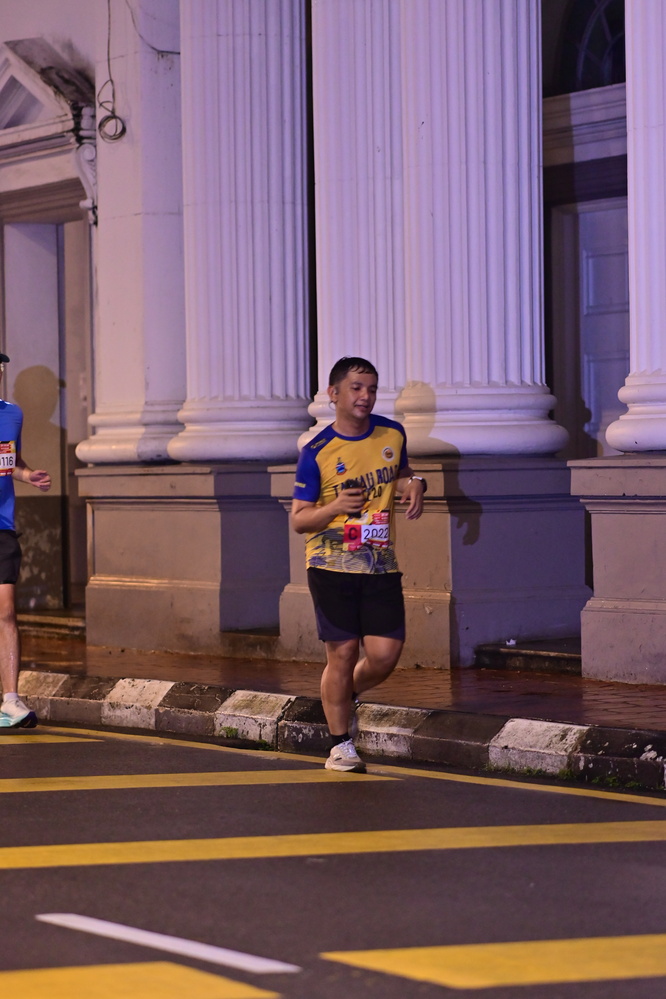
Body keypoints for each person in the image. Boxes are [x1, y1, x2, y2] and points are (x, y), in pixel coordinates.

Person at [291, 356, 426, 772]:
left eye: (371, 388)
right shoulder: (316, 451)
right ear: (334, 394)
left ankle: (340, 696)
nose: (365, 396)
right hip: (330, 565)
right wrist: (335, 507)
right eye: (356, 388)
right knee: (344, 652)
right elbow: (299, 519)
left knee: (385, 655)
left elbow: (400, 473)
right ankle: (339, 744)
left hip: (380, 563)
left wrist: (415, 484)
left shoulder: (392, 433)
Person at [0, 353, 52, 728]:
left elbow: (10, 461)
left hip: (1, 525)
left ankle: (10, 701)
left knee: (6, 612)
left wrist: (28, 474)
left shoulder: (12, 415)